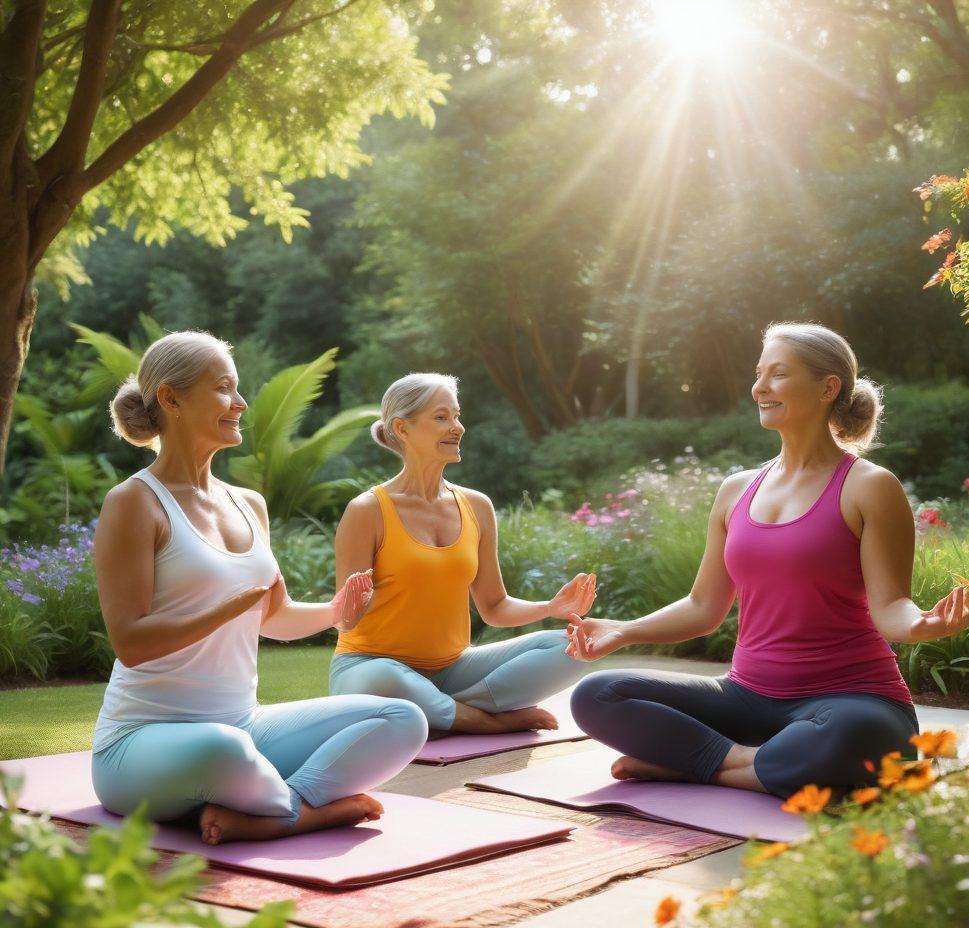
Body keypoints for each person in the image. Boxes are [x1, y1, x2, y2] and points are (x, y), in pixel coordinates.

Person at [566, 323, 969, 799]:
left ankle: (698, 764)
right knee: (596, 695)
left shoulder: (869, 486)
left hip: (847, 702)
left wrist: (921, 623)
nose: (759, 388)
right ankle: (756, 765)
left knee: (857, 735)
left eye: (778, 374)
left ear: (828, 388)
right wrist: (623, 630)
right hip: (744, 698)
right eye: (759, 374)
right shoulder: (735, 490)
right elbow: (703, 607)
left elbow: (890, 606)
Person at [92, 332, 428, 846]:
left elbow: (273, 616)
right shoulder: (134, 502)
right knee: (224, 751)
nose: (241, 403)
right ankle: (307, 813)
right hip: (140, 743)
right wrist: (225, 609)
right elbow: (131, 643)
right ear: (171, 398)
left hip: (244, 726)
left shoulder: (249, 504)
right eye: (223, 388)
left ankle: (276, 806)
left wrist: (337, 611)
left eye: (237, 387)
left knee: (402, 717)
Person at [329, 372, 595, 734]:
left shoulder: (476, 506)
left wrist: (551, 608)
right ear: (402, 429)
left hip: (454, 670)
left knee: (572, 646)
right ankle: (486, 721)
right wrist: (350, 610)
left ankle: (444, 712)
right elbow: (344, 619)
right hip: (370, 668)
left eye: (456, 416)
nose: (457, 427)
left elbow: (495, 606)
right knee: (385, 678)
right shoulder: (367, 510)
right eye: (441, 417)